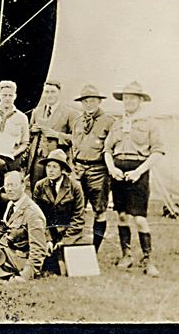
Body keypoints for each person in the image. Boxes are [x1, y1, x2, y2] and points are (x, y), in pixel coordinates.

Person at [104, 81, 165, 277]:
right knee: (121, 216)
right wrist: (112, 168)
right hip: (118, 172)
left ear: (140, 100)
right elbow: (107, 150)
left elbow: (158, 152)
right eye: (126, 98)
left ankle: (147, 258)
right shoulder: (117, 123)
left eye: (132, 98)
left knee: (139, 219)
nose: (128, 101)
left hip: (138, 170)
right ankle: (126, 255)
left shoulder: (150, 123)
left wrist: (139, 171)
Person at [70, 84, 115, 252]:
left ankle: (94, 250)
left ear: (99, 102)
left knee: (99, 211)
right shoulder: (78, 122)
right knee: (76, 210)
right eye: (85, 101)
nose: (88, 105)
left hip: (99, 171)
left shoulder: (109, 122)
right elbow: (73, 147)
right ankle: (75, 248)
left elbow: (112, 149)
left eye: (92, 101)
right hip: (78, 170)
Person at [32, 149, 85, 273]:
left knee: (71, 269)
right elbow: (36, 216)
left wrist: (64, 241)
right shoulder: (40, 186)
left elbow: (78, 218)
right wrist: (47, 239)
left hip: (69, 233)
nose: (50, 170)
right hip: (47, 231)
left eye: (54, 167)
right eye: (48, 166)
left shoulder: (74, 187)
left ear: (62, 170)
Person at [28, 80, 78, 190]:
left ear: (59, 93)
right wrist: (32, 131)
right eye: (46, 92)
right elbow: (29, 135)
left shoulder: (70, 112)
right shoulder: (37, 111)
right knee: (37, 191)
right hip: (38, 161)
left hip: (58, 161)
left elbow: (76, 138)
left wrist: (56, 135)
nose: (49, 95)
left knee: (56, 192)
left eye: (53, 92)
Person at [0, 80, 30, 172]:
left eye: (10, 95)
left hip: (12, 159)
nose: (7, 98)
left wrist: (15, 153)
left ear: (15, 96)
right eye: (4, 95)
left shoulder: (22, 117)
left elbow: (25, 143)